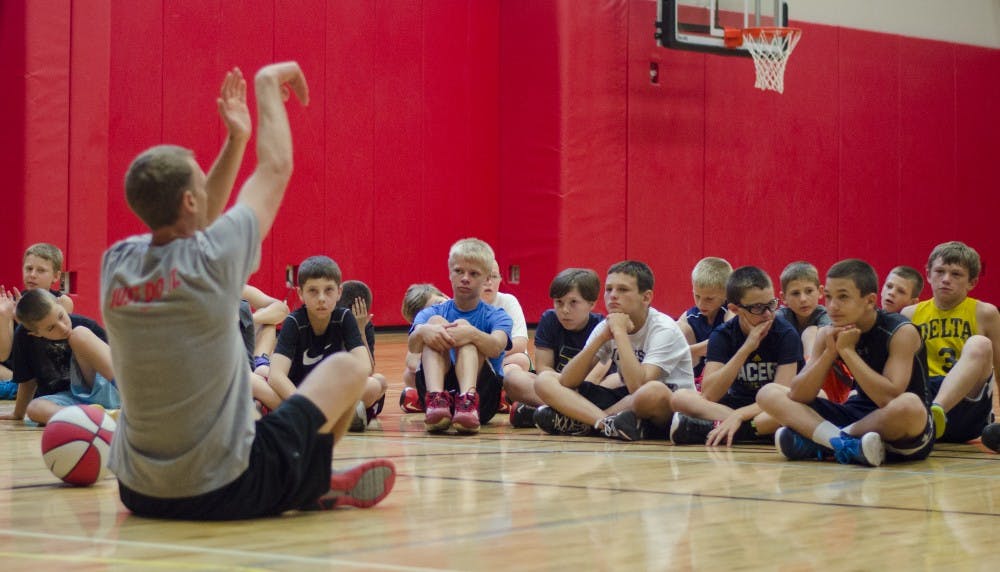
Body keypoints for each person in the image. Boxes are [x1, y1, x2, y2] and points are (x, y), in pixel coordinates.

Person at [100, 63, 394, 520]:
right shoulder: (214, 261)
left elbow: (197, 215)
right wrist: (265, 89)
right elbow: (275, 168)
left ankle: (303, 477)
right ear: (191, 202)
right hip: (226, 488)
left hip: (137, 490)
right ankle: (305, 482)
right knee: (345, 371)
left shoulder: (116, 265)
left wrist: (235, 140)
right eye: (200, 178)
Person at [757, 259, 934, 467]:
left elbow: (888, 398)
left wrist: (847, 351)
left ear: (869, 301)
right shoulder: (828, 332)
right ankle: (843, 444)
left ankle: (825, 441)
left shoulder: (901, 331)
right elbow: (799, 394)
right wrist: (829, 353)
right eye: (829, 297)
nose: (832, 306)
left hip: (899, 426)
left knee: (909, 405)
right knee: (768, 393)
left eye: (843, 297)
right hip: (854, 413)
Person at [533, 260, 694, 441]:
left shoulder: (664, 329)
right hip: (626, 403)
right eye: (609, 289)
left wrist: (620, 332)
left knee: (652, 392)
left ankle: (581, 421)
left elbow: (639, 387)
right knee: (545, 380)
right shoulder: (606, 325)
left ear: (646, 297)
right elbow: (567, 381)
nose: (613, 296)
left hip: (665, 407)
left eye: (623, 290)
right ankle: (605, 424)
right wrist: (601, 338)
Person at [670, 266, 803, 446]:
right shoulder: (723, 335)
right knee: (681, 398)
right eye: (757, 308)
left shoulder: (786, 334)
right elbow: (709, 395)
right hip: (731, 407)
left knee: (815, 399)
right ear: (735, 308)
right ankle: (753, 431)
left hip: (769, 409)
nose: (768, 314)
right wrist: (746, 349)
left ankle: (721, 430)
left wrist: (739, 416)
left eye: (771, 304)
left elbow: (780, 397)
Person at [901, 241, 1000, 451]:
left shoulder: (985, 313)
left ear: (972, 282)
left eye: (956, 274)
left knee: (980, 343)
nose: (946, 279)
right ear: (927, 274)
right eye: (940, 271)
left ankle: (936, 412)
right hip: (923, 397)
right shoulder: (910, 314)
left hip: (967, 403)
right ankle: (925, 417)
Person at [267, 257, 385, 432]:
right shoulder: (294, 322)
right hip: (298, 392)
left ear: (339, 292)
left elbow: (364, 367)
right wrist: (303, 404)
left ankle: (317, 416)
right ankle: (338, 414)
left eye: (328, 290)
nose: (321, 298)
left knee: (375, 385)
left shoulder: (344, 318)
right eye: (313, 291)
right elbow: (276, 376)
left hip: (332, 393)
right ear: (300, 294)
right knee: (259, 384)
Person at [408, 238, 513, 434]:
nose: (465, 278)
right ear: (450, 273)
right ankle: (436, 399)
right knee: (434, 325)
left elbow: (497, 346)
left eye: (473, 273)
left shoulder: (497, 316)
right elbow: (413, 347)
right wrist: (423, 331)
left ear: (487, 279)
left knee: (466, 331)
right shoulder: (432, 312)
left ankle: (468, 401)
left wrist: (471, 333)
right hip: (436, 391)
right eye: (459, 271)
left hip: (483, 396)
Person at [0, 289, 120, 424]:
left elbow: (116, 358)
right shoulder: (23, 338)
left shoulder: (84, 324)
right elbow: (28, 382)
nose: (63, 327)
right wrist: (18, 413)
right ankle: (93, 419)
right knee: (34, 408)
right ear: (35, 333)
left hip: (112, 389)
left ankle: (134, 400)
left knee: (79, 334)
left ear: (60, 304)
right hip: (75, 401)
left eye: (61, 316)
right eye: (51, 328)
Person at [505, 268, 605, 427]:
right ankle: (573, 415)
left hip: (590, 389)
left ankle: (552, 414)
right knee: (512, 379)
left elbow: (596, 376)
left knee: (613, 386)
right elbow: (543, 368)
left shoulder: (602, 327)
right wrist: (561, 393)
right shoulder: (549, 320)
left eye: (573, 302)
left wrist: (565, 394)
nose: (565, 310)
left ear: (591, 304)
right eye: (559, 302)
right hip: (555, 386)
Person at [1, 243, 75, 366]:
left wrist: (23, 322)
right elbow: (3, 356)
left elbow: (57, 344)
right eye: (29, 269)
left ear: (56, 276)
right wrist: (3, 317)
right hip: (16, 369)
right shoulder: (11, 304)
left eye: (41, 270)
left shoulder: (61, 302)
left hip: (45, 368)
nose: (32, 275)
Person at [335, 279, 388, 428]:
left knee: (379, 381)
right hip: (331, 387)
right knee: (372, 385)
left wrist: (360, 332)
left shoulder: (365, 326)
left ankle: (352, 412)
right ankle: (352, 413)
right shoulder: (331, 323)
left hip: (354, 386)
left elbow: (368, 371)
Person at [676, 257, 732, 384]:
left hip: (723, 380)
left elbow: (722, 342)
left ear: (726, 294)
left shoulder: (731, 310)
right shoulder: (689, 316)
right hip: (694, 377)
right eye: (697, 296)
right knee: (680, 328)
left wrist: (685, 351)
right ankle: (687, 383)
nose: (701, 304)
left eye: (709, 299)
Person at [398, 283, 449, 413]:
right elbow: (411, 363)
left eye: (438, 303)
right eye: (429, 313)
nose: (437, 311)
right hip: (445, 379)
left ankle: (424, 400)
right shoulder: (426, 328)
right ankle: (435, 398)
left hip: (473, 377)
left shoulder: (464, 310)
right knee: (409, 375)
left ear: (445, 296)